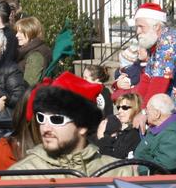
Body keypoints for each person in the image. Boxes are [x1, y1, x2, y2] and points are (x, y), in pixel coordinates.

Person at [7, 72, 135, 178]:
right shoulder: (21, 176)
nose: (45, 128)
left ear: (83, 126)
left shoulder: (120, 173)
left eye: (56, 119)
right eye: (41, 118)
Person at [116, 3, 176, 125]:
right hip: (172, 108)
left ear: (156, 27)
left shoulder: (167, 43)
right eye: (136, 27)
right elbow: (147, 79)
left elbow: (159, 83)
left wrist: (143, 113)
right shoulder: (153, 43)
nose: (137, 31)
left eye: (141, 26)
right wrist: (134, 105)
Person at [133, 93, 176, 173]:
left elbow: (165, 165)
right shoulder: (159, 126)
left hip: (149, 178)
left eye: (147, 110)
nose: (145, 113)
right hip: (138, 165)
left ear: (157, 114)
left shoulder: (172, 135)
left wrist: (139, 169)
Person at [96, 92, 142, 159]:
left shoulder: (134, 133)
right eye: (118, 107)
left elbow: (113, 160)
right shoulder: (120, 128)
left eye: (125, 107)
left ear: (135, 109)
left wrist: (101, 137)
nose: (120, 111)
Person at [14, 16, 52, 86]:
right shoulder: (33, 49)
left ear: (31, 32)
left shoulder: (35, 56)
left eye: (21, 32)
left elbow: (29, 86)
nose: (16, 35)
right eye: (17, 32)